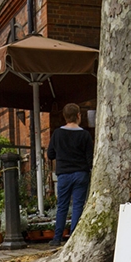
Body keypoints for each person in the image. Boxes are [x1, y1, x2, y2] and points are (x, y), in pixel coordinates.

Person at [46, 103, 93, 247]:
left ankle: (57, 237)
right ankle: (74, 236)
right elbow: (89, 158)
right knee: (78, 205)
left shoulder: (57, 134)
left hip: (64, 174)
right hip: (81, 173)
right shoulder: (85, 135)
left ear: (64, 117)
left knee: (62, 206)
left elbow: (50, 154)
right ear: (78, 116)